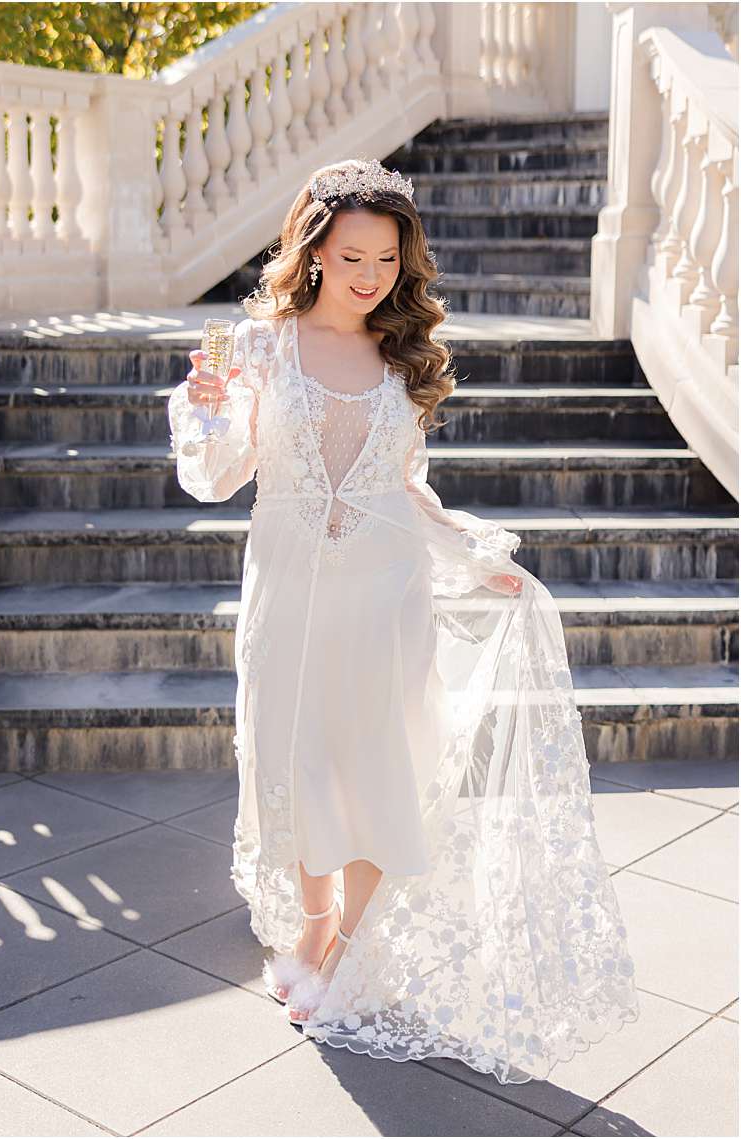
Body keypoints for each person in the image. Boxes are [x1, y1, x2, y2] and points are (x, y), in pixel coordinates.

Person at [168, 159, 637, 1083]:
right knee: (294, 765)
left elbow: (404, 490)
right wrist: (208, 410)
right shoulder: (256, 347)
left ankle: (348, 948)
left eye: (386, 259)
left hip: (386, 598)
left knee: (381, 767)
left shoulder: (402, 359)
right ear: (313, 253)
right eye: (352, 257)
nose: (370, 276)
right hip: (288, 595)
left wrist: (473, 556)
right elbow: (216, 479)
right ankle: (313, 926)